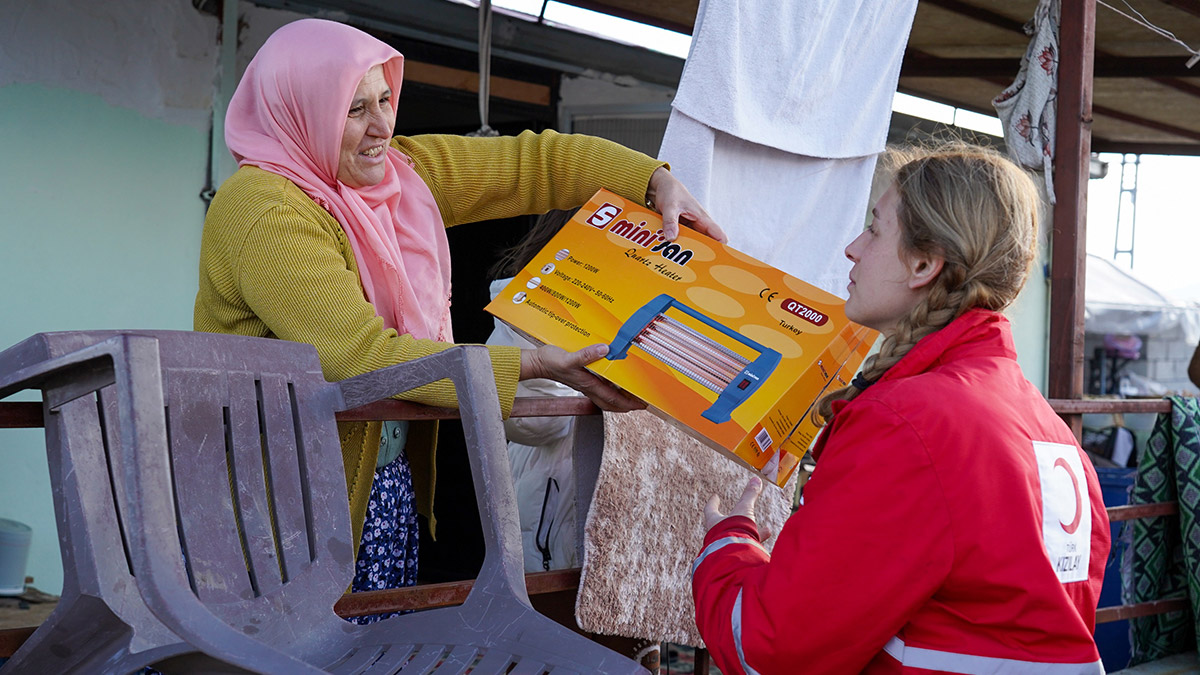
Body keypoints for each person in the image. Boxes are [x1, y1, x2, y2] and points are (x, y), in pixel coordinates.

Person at [193, 18, 723, 614]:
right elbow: (360, 357)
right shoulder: (261, 208)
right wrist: (533, 363)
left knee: (370, 647)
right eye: (353, 109)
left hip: (374, 489)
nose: (382, 128)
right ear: (301, 111)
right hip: (274, 501)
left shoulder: (398, 177)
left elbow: (537, 164)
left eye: (386, 99)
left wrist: (651, 181)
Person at [691, 144, 1110, 673]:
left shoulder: (909, 423)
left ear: (923, 264)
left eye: (874, 228)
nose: (852, 248)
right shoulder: (1047, 428)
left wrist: (727, 541)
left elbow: (771, 648)